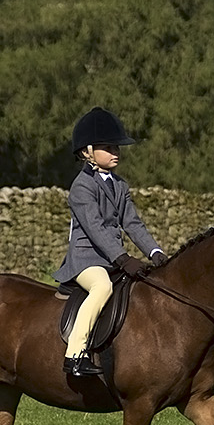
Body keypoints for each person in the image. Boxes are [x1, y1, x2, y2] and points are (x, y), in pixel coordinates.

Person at [52, 107, 166, 377]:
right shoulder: (81, 187)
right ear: (87, 151)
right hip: (86, 261)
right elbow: (96, 229)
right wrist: (123, 258)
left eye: (117, 146)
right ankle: (74, 354)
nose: (116, 152)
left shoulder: (120, 185)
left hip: (110, 259)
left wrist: (155, 252)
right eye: (107, 147)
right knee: (102, 288)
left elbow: (132, 223)